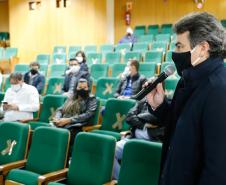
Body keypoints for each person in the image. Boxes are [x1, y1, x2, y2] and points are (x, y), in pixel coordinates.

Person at [146, 12, 226, 185]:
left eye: (180, 46)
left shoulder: (219, 90)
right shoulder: (189, 79)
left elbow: (218, 170)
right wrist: (160, 106)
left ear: (203, 48)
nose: (175, 53)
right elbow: (183, 127)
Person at [113, 98, 164, 180]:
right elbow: (129, 117)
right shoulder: (142, 102)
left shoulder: (166, 105)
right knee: (110, 151)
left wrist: (138, 117)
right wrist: (144, 124)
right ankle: (122, 180)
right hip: (132, 139)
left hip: (152, 143)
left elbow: (155, 119)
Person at [52, 78, 97, 144]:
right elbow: (60, 109)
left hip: (77, 125)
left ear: (88, 88)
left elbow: (88, 114)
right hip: (63, 121)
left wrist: (68, 120)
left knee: (60, 135)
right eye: (80, 87)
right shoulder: (71, 97)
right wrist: (57, 118)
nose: (82, 89)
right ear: (76, 88)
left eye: (85, 87)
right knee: (49, 130)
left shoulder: (91, 98)